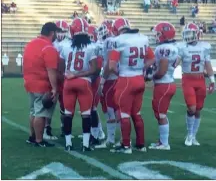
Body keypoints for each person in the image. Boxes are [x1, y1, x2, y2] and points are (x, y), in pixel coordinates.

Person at [108, 18, 155, 154]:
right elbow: (152, 59)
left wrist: (120, 72)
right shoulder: (142, 38)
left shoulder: (118, 40)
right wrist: (140, 67)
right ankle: (141, 144)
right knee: (137, 113)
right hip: (139, 79)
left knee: (124, 115)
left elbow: (111, 66)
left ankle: (126, 145)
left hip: (126, 80)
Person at [60, 17, 98, 151]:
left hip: (68, 83)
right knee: (86, 113)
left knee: (68, 113)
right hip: (84, 83)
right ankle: (86, 144)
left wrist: (71, 75)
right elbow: (94, 69)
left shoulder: (64, 46)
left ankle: (68, 143)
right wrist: (79, 74)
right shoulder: (91, 46)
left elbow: (60, 68)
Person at [175, 22, 216, 146]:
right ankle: (189, 134)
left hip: (200, 79)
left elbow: (208, 65)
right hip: (188, 79)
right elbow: (176, 63)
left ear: (197, 34)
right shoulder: (182, 47)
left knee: (198, 110)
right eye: (186, 33)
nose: (187, 36)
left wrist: (212, 80)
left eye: (190, 33)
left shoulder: (204, 47)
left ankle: (193, 136)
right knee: (191, 108)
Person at [23, 22, 60, 147]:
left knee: (33, 111)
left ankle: (32, 137)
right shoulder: (49, 48)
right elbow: (51, 70)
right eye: (56, 32)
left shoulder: (31, 44)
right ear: (52, 33)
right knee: (41, 113)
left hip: (29, 82)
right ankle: (39, 140)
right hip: (41, 84)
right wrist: (55, 88)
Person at [149, 22, 178, 151]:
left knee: (161, 115)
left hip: (163, 84)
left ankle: (164, 143)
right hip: (168, 83)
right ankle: (162, 141)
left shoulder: (163, 49)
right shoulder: (173, 47)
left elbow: (162, 71)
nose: (156, 36)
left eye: (158, 34)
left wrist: (150, 76)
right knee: (160, 113)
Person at [95, 20, 121, 149]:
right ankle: (120, 139)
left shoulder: (109, 42)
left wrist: (102, 81)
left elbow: (109, 64)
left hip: (111, 79)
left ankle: (112, 140)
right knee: (113, 109)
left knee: (112, 109)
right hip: (115, 78)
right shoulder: (117, 40)